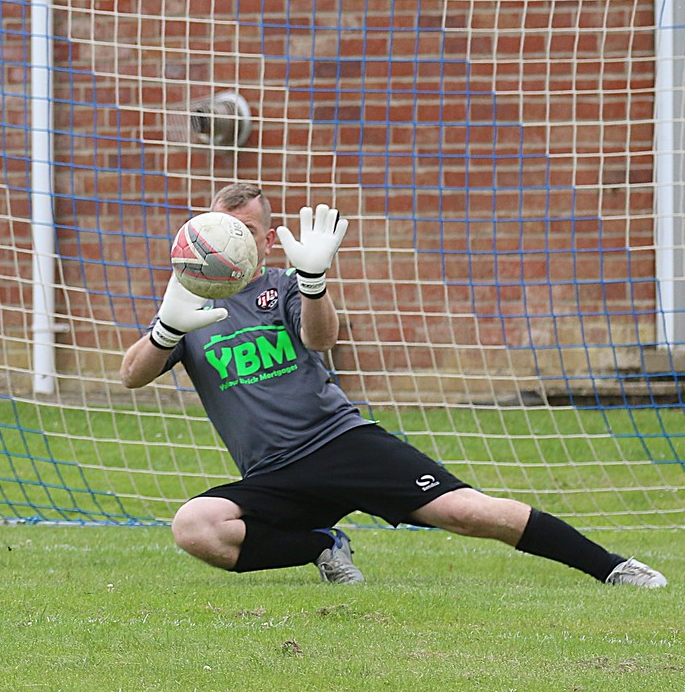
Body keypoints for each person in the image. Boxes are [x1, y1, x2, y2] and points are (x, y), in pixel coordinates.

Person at [119, 182, 668, 589]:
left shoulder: (284, 286)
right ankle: (323, 545)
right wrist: (165, 330)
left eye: (240, 232)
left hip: (340, 444)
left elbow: (319, 338)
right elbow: (131, 375)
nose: (226, 244)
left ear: (264, 239)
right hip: (272, 474)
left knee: (468, 513)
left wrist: (312, 283)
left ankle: (614, 569)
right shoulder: (186, 306)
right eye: (218, 231)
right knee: (196, 528)